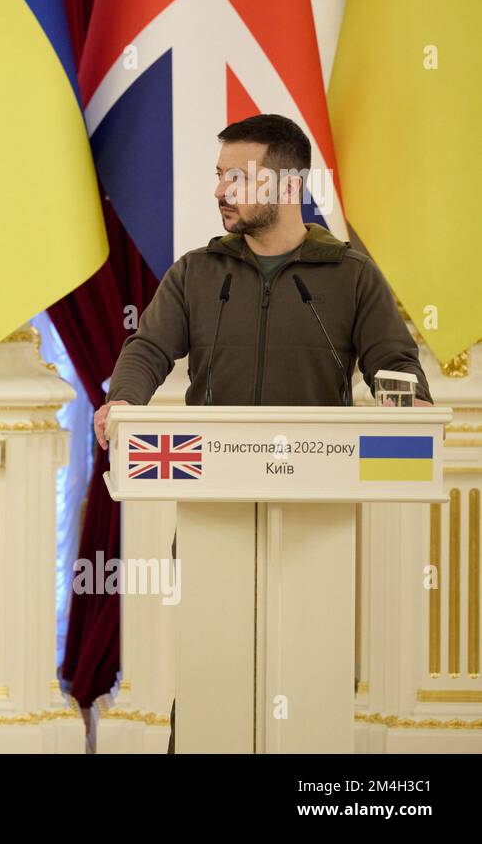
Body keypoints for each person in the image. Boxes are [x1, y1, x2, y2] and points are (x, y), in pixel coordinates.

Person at [91, 113, 434, 751]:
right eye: (219, 177)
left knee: (307, 664)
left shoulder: (352, 275)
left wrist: (406, 401)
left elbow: (395, 363)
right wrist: (122, 401)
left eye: (235, 178)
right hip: (210, 502)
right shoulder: (197, 273)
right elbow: (146, 351)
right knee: (210, 670)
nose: (219, 191)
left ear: (283, 185)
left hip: (316, 512)